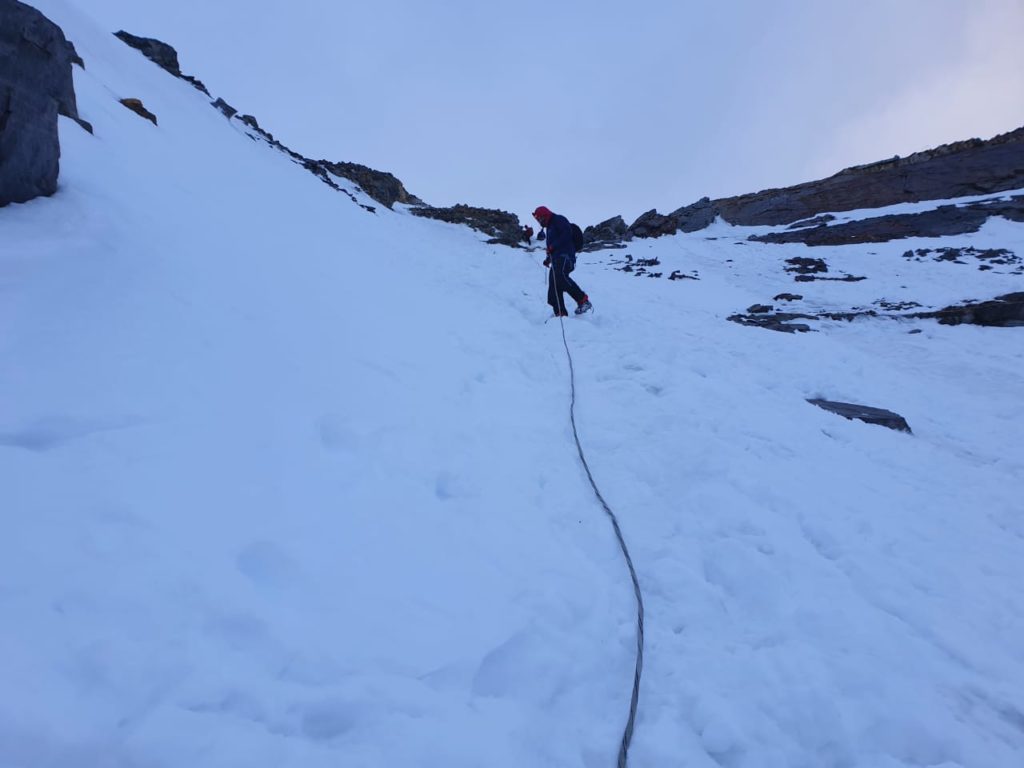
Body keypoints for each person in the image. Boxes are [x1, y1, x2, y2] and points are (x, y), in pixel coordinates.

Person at [533, 205, 592, 317]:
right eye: (538, 220)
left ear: (545, 215)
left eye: (540, 219)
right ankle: (560, 314)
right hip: (556, 259)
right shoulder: (549, 229)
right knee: (553, 286)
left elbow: (566, 234)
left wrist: (553, 246)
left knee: (560, 276)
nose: (539, 222)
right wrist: (548, 259)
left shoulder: (558, 219)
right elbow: (552, 248)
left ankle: (583, 300)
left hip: (566, 256)